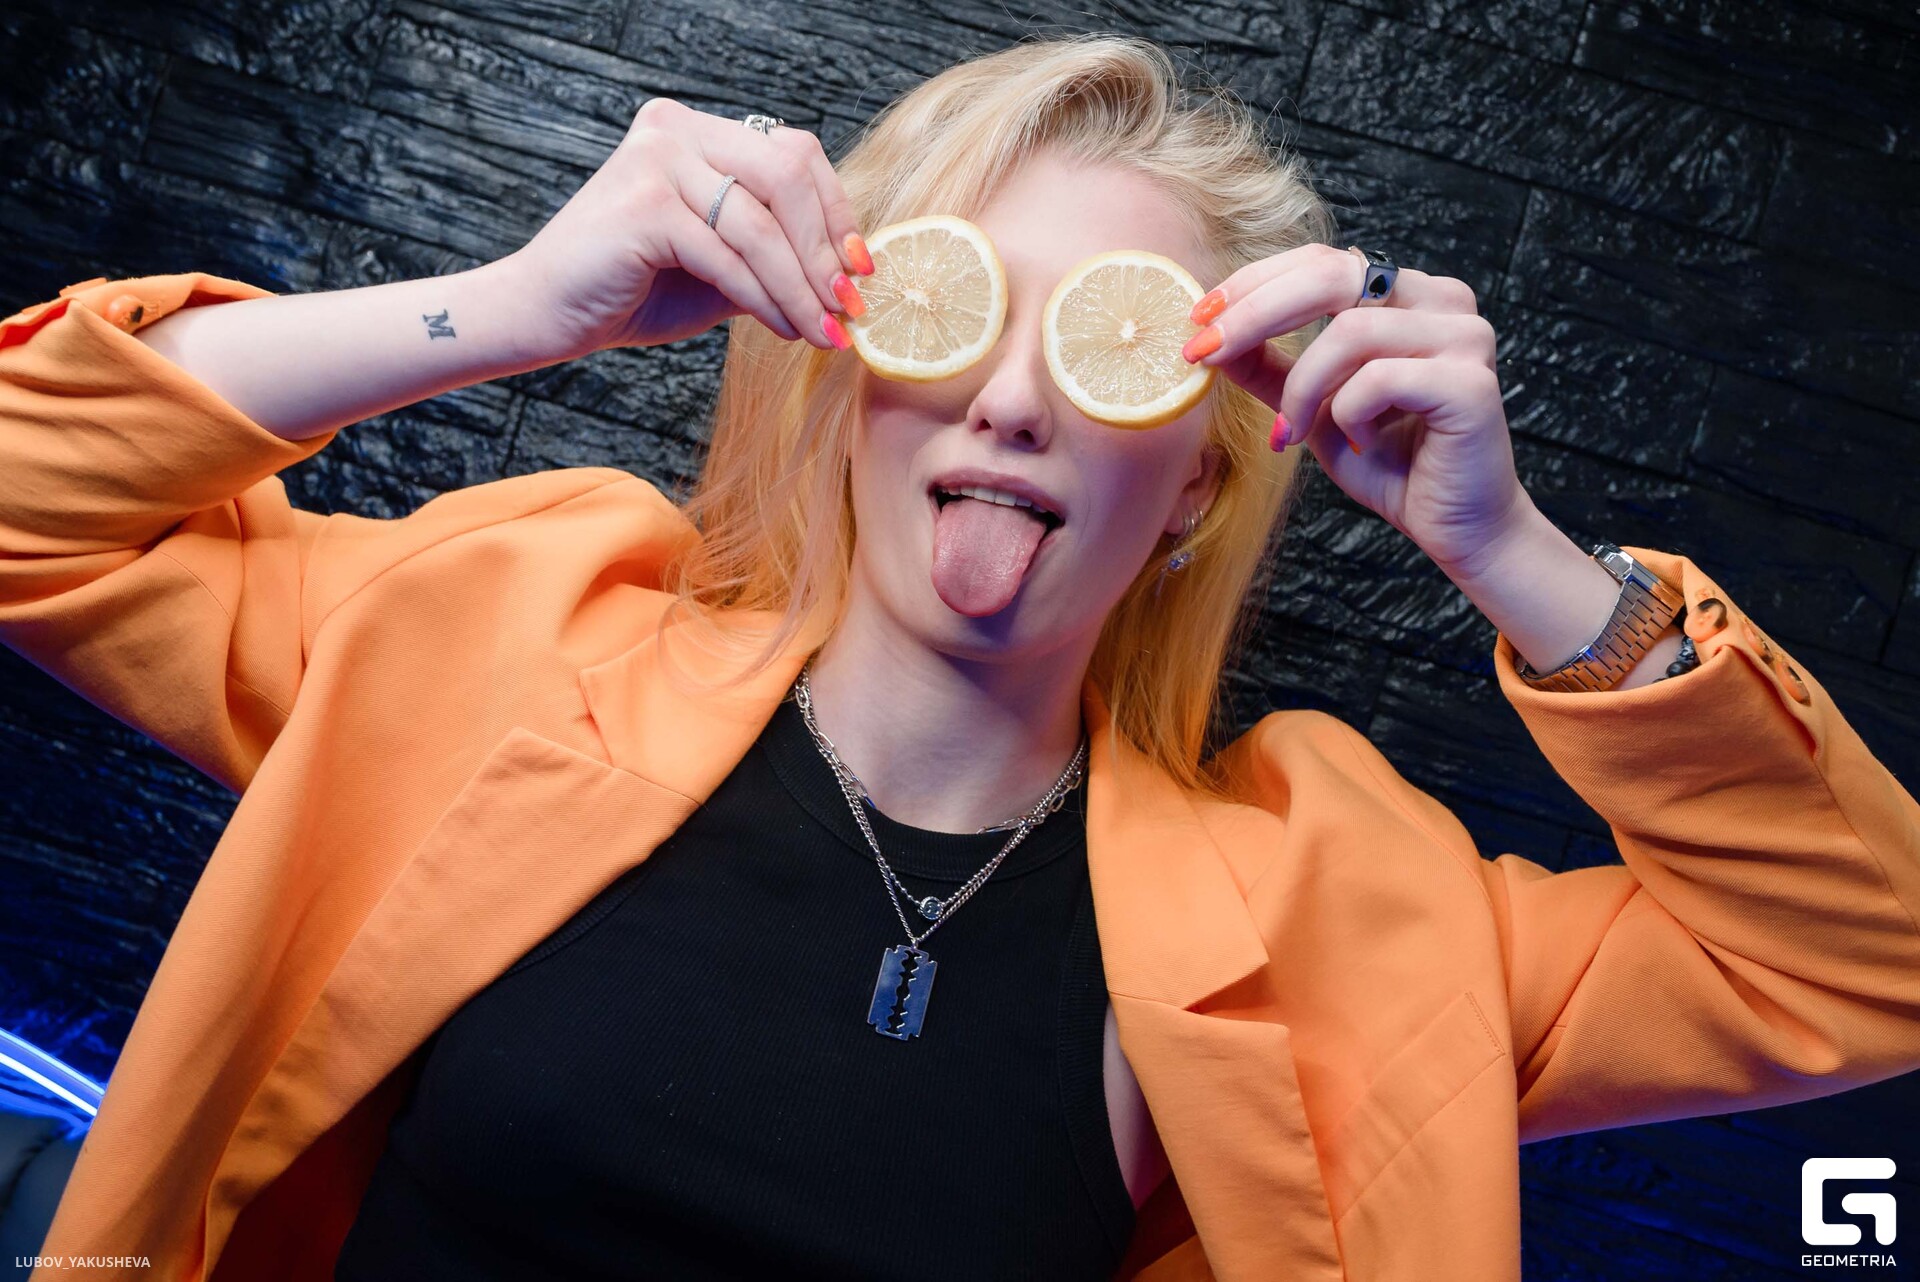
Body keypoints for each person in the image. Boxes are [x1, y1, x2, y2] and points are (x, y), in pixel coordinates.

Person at [3, 32, 1917, 1282]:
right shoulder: (511, 634)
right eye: (953, 311)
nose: (1007, 397)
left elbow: (1865, 962)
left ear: (1196, 478)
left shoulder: (1338, 914)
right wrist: (514, 308)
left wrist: (1514, 554)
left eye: (1099, 345)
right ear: (851, 373)